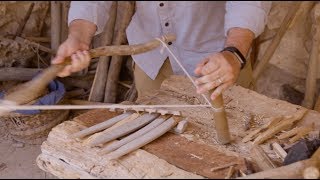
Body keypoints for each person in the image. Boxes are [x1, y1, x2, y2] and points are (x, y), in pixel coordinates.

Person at [52, 1, 272, 101]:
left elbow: (248, 3)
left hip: (216, 60)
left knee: (228, 143)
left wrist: (234, 52)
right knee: (157, 138)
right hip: (152, 59)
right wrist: (78, 38)